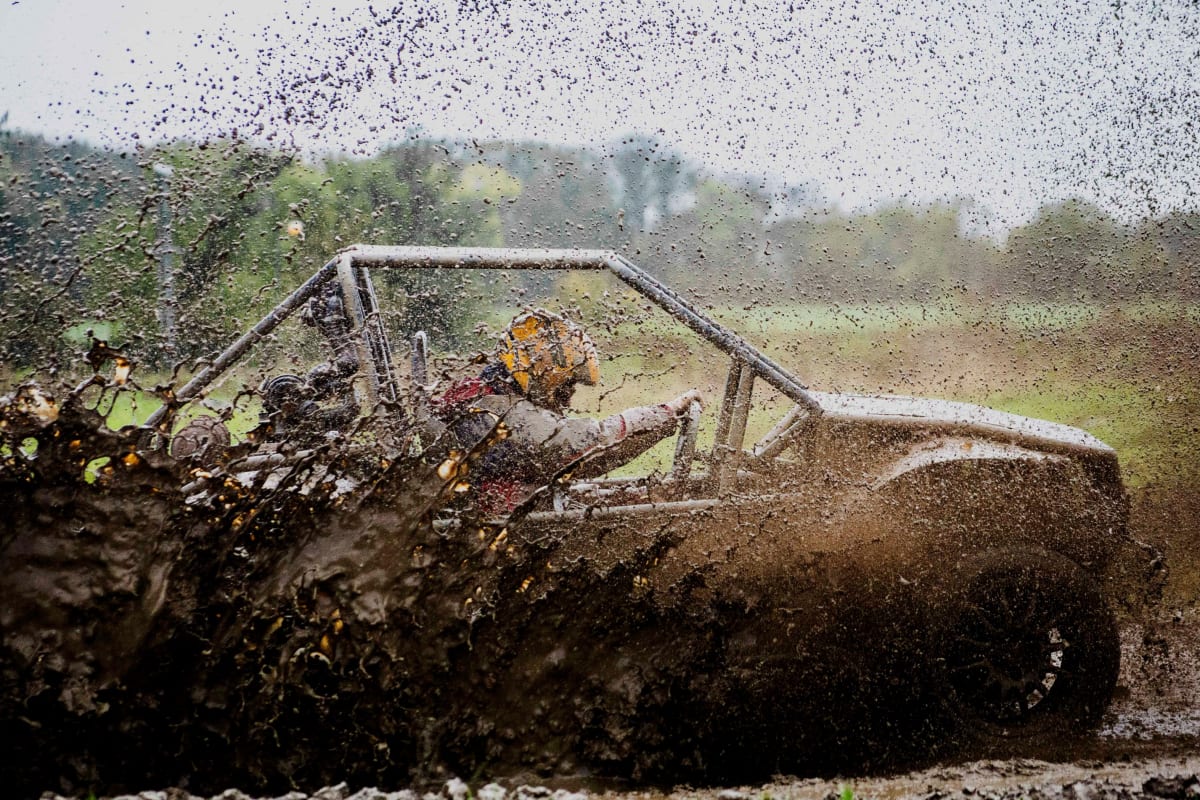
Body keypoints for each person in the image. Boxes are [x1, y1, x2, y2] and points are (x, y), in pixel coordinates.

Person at [431, 309, 702, 515]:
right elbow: (584, 444)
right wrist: (667, 412)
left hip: (501, 516)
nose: (569, 398)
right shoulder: (497, 410)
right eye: (567, 385)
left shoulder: (483, 395)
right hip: (500, 532)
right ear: (542, 374)